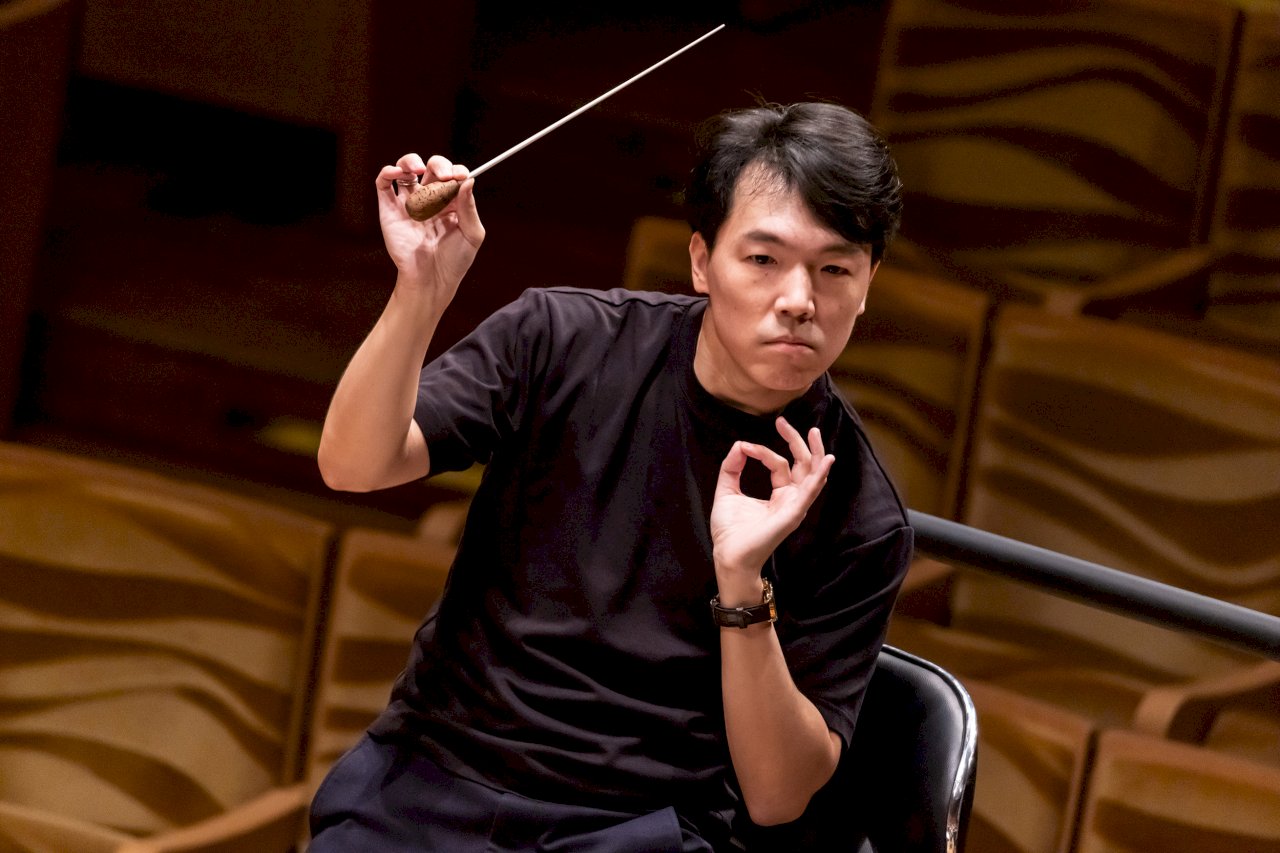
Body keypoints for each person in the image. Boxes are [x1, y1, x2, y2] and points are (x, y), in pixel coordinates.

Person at [309, 100, 910, 852]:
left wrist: (741, 583)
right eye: (763, 260)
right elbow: (354, 464)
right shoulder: (562, 340)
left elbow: (777, 797)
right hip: (435, 782)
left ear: (868, 280)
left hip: (637, 829)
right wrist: (420, 291)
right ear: (702, 260)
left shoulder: (860, 512)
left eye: (834, 269)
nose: (798, 300)